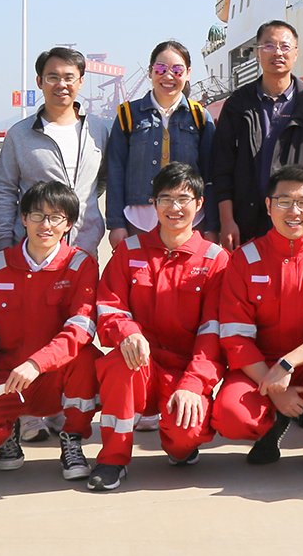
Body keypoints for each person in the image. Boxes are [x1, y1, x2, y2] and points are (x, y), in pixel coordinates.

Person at [211, 166, 303, 476]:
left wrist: (288, 364)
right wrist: (275, 389)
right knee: (230, 417)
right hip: (260, 366)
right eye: (284, 202)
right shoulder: (244, 258)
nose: (294, 211)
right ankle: (272, 426)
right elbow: (235, 336)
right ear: (268, 206)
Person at [88, 162, 228, 491]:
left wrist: (194, 384)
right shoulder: (129, 251)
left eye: (183, 199)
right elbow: (109, 306)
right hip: (140, 364)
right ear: (153, 203)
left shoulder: (215, 260)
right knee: (120, 364)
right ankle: (112, 458)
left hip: (183, 371)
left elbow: (214, 332)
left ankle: (181, 445)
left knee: (184, 438)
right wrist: (127, 332)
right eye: (165, 199)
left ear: (199, 204)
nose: (174, 207)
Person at [0, 181, 101, 482]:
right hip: (6, 379)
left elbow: (80, 328)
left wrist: (36, 363)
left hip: (55, 375)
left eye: (55, 217)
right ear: (23, 218)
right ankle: (9, 432)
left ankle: (72, 437)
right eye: (37, 215)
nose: (45, 225)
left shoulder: (81, 265)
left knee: (86, 359)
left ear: (68, 224)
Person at [207, 21, 303, 246]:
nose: (277, 52)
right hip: (245, 223)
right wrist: (227, 220)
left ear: (296, 53)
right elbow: (221, 166)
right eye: (268, 46)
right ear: (258, 54)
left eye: (285, 46)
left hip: (296, 222)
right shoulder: (238, 104)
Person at [0, 47, 108, 258]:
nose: (61, 84)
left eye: (69, 78)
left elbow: (101, 181)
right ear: (40, 81)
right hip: (32, 250)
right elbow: (4, 191)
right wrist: (3, 243)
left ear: (80, 81)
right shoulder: (20, 134)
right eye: (53, 77)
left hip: (84, 249)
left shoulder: (97, 130)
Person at [104, 41, 214, 249]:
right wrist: (116, 223)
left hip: (189, 220)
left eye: (177, 70)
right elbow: (116, 170)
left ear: (188, 74)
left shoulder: (200, 117)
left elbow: (211, 174)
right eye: (161, 69)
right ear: (150, 71)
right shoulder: (128, 115)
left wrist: (212, 225)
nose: (168, 76)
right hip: (139, 221)